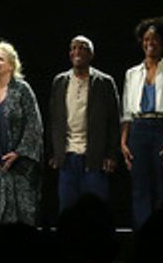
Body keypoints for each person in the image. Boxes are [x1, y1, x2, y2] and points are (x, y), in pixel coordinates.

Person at [0, 39, 43, 225]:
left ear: (11, 65)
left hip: (21, 164)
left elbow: (34, 124)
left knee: (23, 214)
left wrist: (19, 153)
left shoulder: (22, 89)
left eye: (0, 59)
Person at [48, 35, 121, 212]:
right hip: (68, 157)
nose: (77, 52)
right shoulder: (60, 81)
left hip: (94, 158)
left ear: (91, 54)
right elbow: (54, 120)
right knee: (67, 210)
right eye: (73, 48)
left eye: (83, 48)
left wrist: (111, 154)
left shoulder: (104, 82)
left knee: (95, 211)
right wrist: (54, 152)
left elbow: (114, 121)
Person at [120, 17, 163, 227]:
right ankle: (142, 233)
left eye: (154, 39)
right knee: (140, 186)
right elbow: (127, 112)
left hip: (162, 127)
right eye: (146, 39)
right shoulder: (132, 73)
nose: (149, 43)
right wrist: (124, 142)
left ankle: (162, 233)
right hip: (138, 129)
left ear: (162, 42)